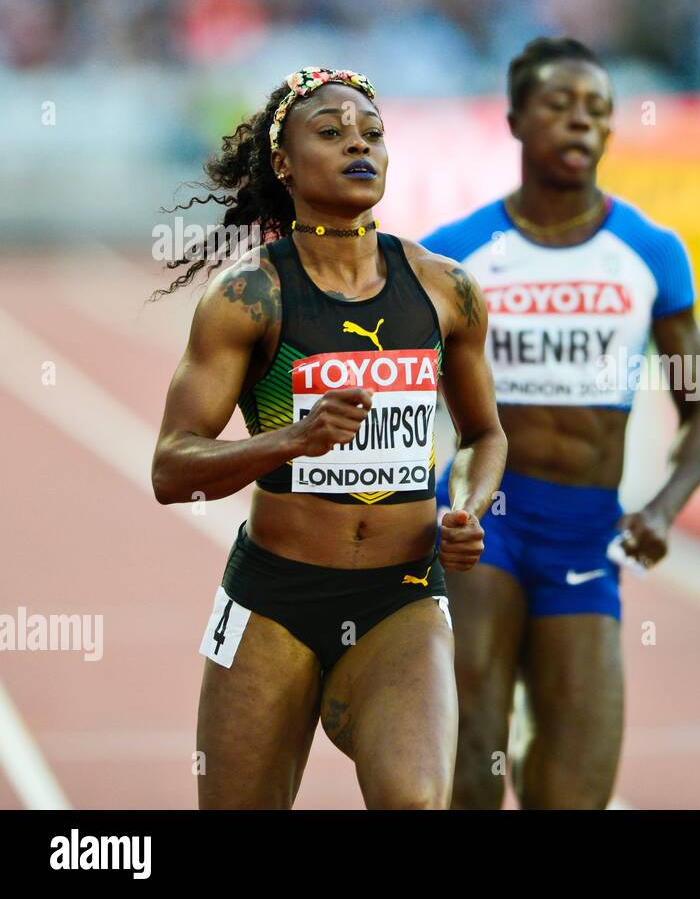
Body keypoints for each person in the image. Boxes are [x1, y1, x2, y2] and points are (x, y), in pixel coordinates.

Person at [151, 67, 507, 809]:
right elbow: (171, 468)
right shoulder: (250, 298)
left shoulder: (447, 289)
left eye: (373, 133)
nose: (359, 145)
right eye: (332, 131)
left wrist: (469, 503)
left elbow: (484, 434)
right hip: (273, 597)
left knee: (416, 801)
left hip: (401, 595)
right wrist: (291, 440)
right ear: (283, 163)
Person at [420, 37, 700, 809]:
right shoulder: (456, 257)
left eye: (597, 110)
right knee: (472, 746)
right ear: (516, 120)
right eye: (559, 105)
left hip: (588, 526)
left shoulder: (650, 254)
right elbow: (399, 400)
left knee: (576, 780)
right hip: (483, 515)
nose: (580, 122)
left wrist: (662, 508)